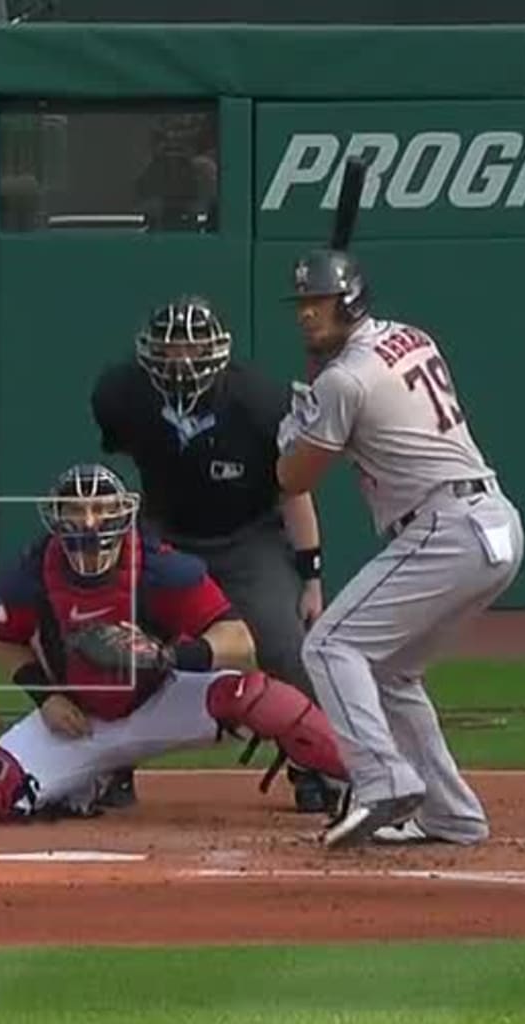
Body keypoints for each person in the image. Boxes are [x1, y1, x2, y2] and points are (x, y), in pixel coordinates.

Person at [273, 248, 525, 851]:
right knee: (388, 672)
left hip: (446, 527)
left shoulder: (342, 380)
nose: (309, 314)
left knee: (331, 646)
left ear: (351, 300)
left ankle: (381, 781)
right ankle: (451, 816)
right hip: (495, 525)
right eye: (304, 303)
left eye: (321, 301)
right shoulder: (410, 337)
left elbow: (294, 477)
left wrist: (297, 426)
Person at [0, 462, 349, 824]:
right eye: (76, 510)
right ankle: (93, 778)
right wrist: (47, 697)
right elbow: (5, 641)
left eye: (102, 509)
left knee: (258, 695)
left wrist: (166, 656)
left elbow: (239, 640)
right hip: (81, 719)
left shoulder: (161, 567)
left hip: (163, 698)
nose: (91, 522)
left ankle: (364, 778)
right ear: (57, 516)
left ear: (123, 513)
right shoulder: (30, 572)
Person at [91, 295, 338, 818]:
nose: (181, 359)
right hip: (165, 534)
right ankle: (108, 764)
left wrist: (311, 575)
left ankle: (313, 765)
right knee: (116, 639)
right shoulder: (123, 394)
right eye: (171, 347)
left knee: (287, 646)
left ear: (217, 351)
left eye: (192, 347)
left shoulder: (260, 403)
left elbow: (294, 492)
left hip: (247, 535)